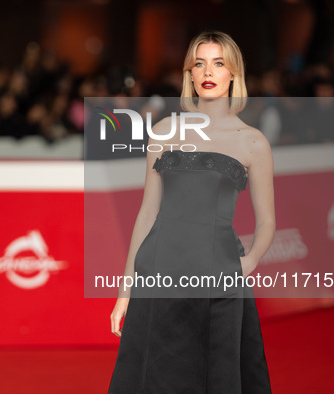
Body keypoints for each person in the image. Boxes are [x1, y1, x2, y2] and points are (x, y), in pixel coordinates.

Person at [107, 30, 275, 393]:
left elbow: (268, 221)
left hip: (217, 272)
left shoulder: (252, 141)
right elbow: (147, 213)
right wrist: (125, 290)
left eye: (218, 63)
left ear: (234, 74)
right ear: (190, 73)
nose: (208, 71)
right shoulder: (165, 131)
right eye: (200, 63)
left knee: (214, 376)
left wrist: (249, 262)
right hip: (159, 269)